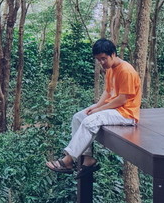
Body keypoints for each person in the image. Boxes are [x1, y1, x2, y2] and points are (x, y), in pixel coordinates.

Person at [45, 38, 142, 178]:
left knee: (90, 121)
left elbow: (123, 99)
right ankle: (88, 159)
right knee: (79, 117)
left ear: (113, 54)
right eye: (98, 59)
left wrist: (100, 110)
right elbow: (107, 91)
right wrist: (96, 106)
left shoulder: (126, 71)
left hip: (126, 114)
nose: (101, 62)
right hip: (113, 109)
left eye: (103, 58)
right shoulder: (110, 69)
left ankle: (68, 160)